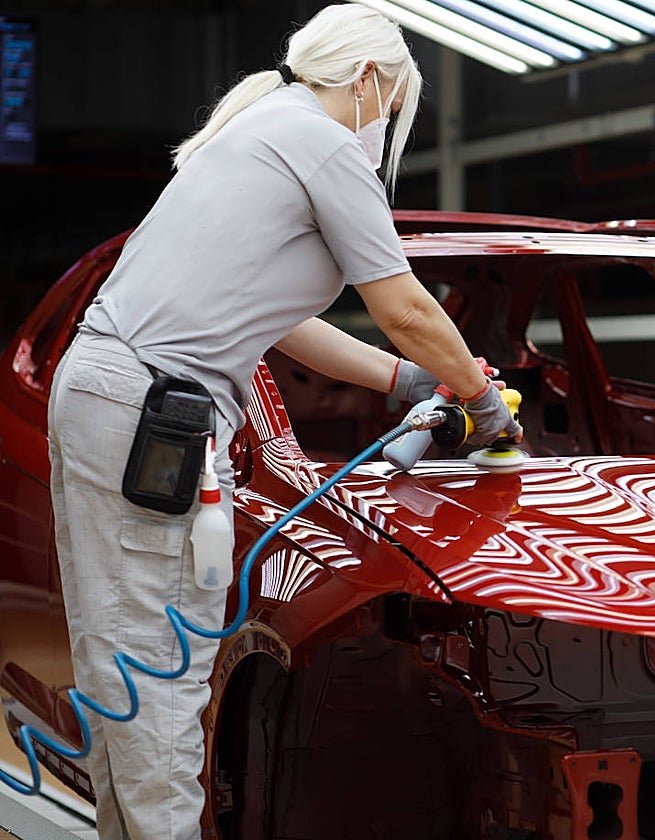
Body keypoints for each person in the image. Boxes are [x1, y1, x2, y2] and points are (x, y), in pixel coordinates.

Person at [46, 6, 521, 839]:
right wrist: (481, 403)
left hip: (114, 396)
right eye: (397, 98)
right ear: (372, 80)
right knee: (158, 665)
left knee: (123, 657)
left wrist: (409, 381)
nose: (389, 118)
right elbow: (405, 304)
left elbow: (283, 320)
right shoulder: (323, 141)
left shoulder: (265, 128)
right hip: (148, 412)